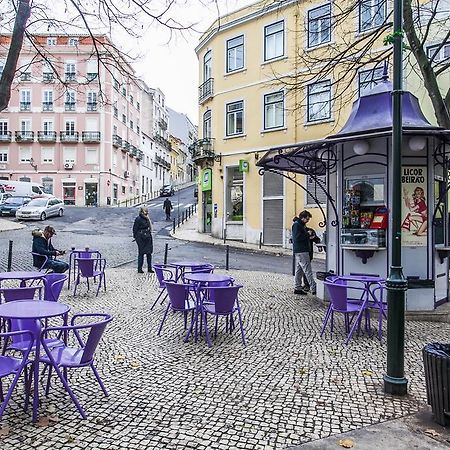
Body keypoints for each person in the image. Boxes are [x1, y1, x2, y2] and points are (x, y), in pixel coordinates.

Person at [292, 210, 317, 296]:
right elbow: (297, 238)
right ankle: (314, 288)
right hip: (302, 250)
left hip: (300, 250)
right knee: (307, 270)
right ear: (302, 218)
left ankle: (297, 287)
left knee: (299, 270)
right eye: (307, 219)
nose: (308, 221)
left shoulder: (300, 225)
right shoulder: (297, 225)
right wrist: (307, 234)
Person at [133, 206, 154, 273]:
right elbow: (135, 229)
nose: (147, 212)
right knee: (141, 253)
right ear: (142, 212)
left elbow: (149, 227)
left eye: (147, 211)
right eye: (145, 211)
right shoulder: (138, 219)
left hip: (148, 237)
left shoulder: (147, 218)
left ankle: (149, 268)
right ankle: (139, 269)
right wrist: (136, 237)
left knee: (149, 253)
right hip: (141, 238)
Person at [303, 225, 321, 292]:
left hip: (308, 252)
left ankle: (307, 285)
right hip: (301, 252)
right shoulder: (299, 230)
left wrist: (319, 246)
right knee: (302, 270)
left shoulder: (310, 230)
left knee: (306, 269)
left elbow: (316, 239)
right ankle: (302, 285)